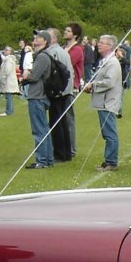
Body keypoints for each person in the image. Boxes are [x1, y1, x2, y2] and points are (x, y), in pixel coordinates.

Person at [21, 31, 55, 169]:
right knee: (43, 128)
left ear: (45, 41)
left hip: (38, 96)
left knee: (39, 129)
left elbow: (34, 76)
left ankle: (42, 160)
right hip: (40, 95)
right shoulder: (42, 56)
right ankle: (47, 159)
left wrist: (27, 74)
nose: (35, 39)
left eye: (39, 37)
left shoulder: (42, 57)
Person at [89, 34, 123, 171]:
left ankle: (111, 162)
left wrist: (93, 85)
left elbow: (109, 82)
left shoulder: (112, 62)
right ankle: (109, 160)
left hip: (108, 102)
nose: (99, 44)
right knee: (106, 132)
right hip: (103, 102)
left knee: (110, 133)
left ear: (110, 46)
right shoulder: (105, 61)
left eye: (102, 43)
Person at [48, 27, 76, 161]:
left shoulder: (55, 52)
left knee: (58, 123)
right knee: (63, 122)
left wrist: (59, 90)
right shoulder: (62, 51)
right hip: (64, 91)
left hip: (60, 93)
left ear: (53, 38)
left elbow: (61, 73)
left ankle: (61, 153)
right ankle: (66, 152)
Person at [0, 45, 19, 116]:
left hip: (8, 80)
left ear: (10, 52)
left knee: (8, 96)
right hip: (8, 79)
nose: (5, 51)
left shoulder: (9, 59)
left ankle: (8, 111)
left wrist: (4, 77)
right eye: (5, 50)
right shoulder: (7, 59)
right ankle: (10, 110)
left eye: (7, 50)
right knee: (8, 95)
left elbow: (8, 70)